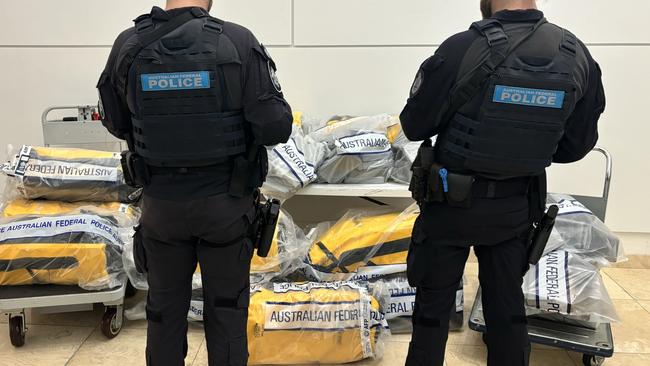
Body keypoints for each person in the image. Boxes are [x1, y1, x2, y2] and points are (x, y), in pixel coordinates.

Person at [400, 0, 605, 365]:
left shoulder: (460, 48)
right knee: (507, 314)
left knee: (432, 315)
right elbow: (575, 146)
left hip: (449, 208)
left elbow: (415, 125)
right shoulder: (575, 55)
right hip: (513, 211)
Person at [97, 0, 293, 364]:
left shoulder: (128, 44)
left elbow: (114, 120)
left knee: (163, 313)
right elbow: (275, 127)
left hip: (161, 207)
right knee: (227, 311)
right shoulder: (237, 40)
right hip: (226, 206)